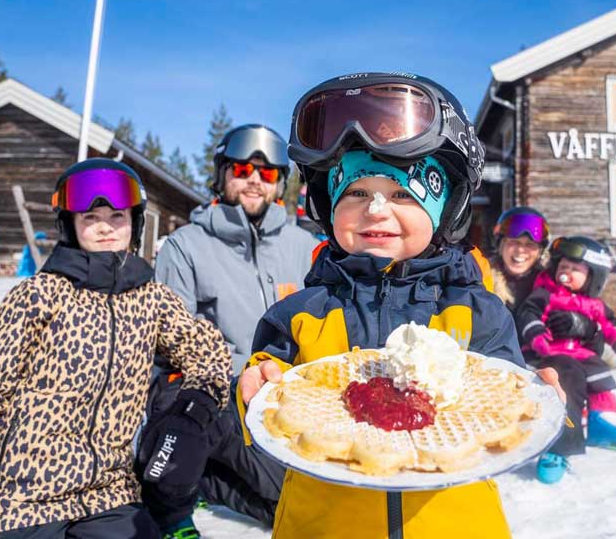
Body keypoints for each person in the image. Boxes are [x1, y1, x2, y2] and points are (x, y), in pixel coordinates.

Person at [236, 72, 565, 539]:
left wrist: (540, 396)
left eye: (402, 194)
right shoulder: (303, 310)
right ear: (328, 205)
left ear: (445, 208)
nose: (374, 210)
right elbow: (270, 396)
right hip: (322, 524)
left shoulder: (478, 311)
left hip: (455, 522)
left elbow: (508, 406)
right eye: (354, 192)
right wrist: (254, 381)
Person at [0, 158, 233, 539]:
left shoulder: (152, 299)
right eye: (91, 218)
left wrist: (192, 412)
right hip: (24, 499)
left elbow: (208, 353)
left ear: (134, 222)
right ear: (70, 225)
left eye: (117, 216)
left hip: (110, 497)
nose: (105, 226)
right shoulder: (38, 296)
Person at [143, 124, 318, 536]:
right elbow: (169, 341)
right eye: (242, 169)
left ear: (279, 184)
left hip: (285, 393)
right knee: (287, 484)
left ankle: (209, 476)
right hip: (214, 390)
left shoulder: (302, 247)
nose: (254, 180)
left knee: (309, 496)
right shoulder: (185, 246)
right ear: (222, 174)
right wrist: (238, 380)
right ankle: (184, 478)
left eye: (268, 173)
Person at [516, 235, 616, 483]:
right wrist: (538, 337)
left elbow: (610, 324)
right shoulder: (546, 294)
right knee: (563, 383)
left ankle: (602, 419)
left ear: (593, 277)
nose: (566, 273)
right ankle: (556, 448)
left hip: (583, 355)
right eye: (563, 267)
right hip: (551, 353)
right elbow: (529, 314)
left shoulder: (595, 305)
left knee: (602, 381)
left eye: (574, 269)